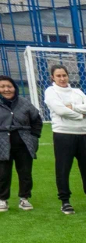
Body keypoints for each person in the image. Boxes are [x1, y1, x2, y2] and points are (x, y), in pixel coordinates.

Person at [44, 64, 86, 214]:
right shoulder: (51, 91)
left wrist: (72, 107)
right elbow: (59, 110)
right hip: (63, 134)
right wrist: (79, 114)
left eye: (64, 75)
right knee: (63, 169)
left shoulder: (77, 91)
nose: (62, 78)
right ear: (53, 77)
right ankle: (65, 201)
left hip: (84, 134)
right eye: (58, 76)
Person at [0, 75, 42, 212]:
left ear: (14, 88)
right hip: (2, 144)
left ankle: (24, 198)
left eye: (9, 86)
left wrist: (34, 138)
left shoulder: (24, 103)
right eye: (2, 86)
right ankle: (2, 199)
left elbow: (37, 121)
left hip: (24, 144)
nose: (6, 89)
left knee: (25, 173)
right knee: (2, 173)